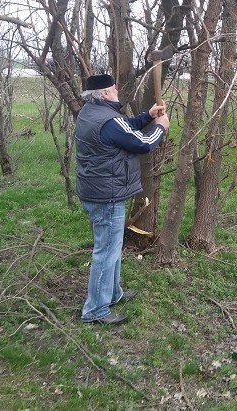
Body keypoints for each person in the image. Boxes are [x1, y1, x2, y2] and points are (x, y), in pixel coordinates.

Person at [75, 73, 169, 325]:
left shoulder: (90, 112)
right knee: (106, 252)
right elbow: (143, 143)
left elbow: (123, 129)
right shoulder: (108, 121)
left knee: (111, 248)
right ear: (105, 93)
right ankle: (95, 309)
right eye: (114, 88)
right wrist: (160, 127)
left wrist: (147, 117)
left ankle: (113, 294)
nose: (117, 91)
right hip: (106, 196)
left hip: (98, 191)